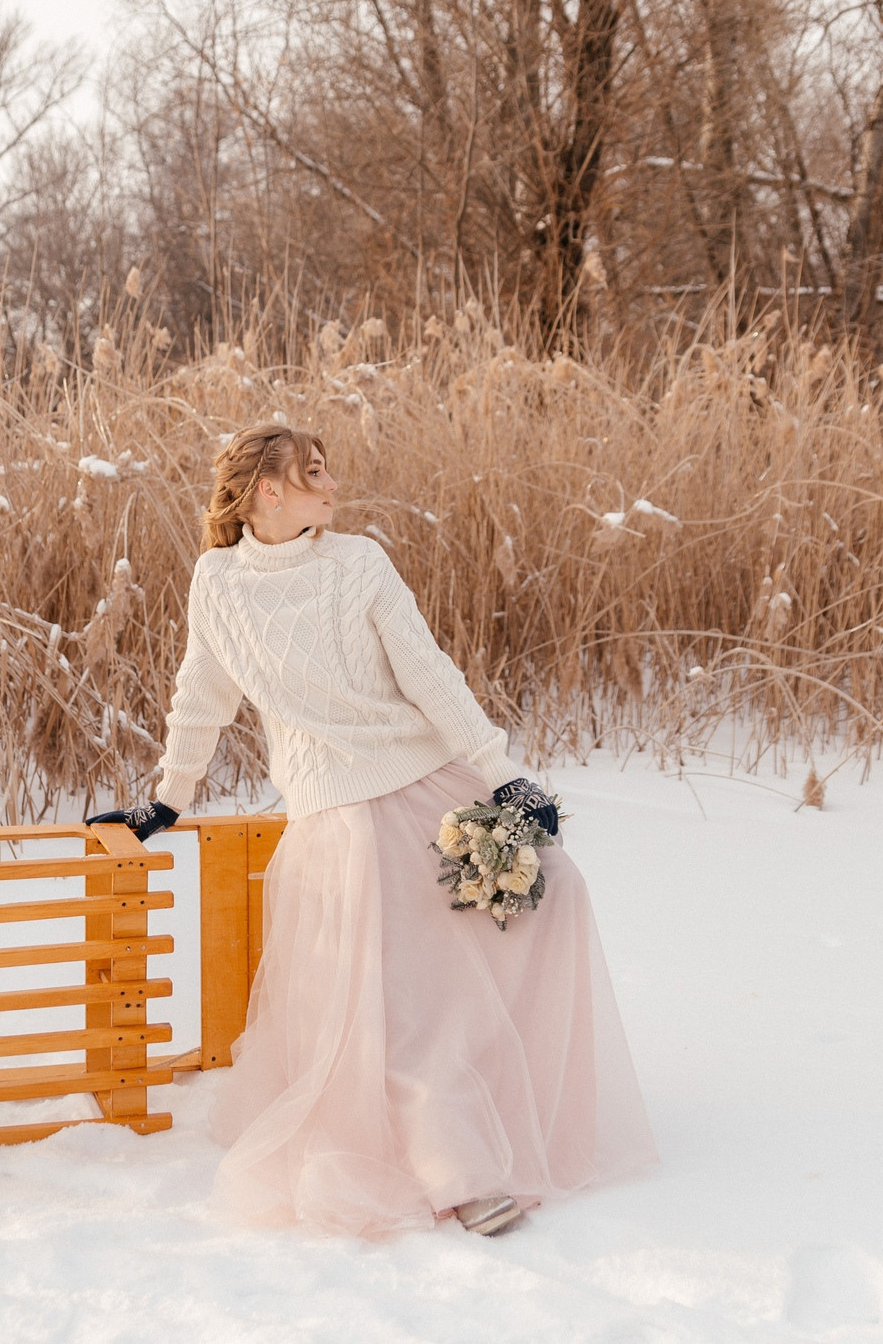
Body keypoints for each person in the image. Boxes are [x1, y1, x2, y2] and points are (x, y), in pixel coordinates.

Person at [91, 423, 655, 1237]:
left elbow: (430, 671)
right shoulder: (217, 583)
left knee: (555, 888)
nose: (332, 485)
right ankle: (460, 1171)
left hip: (435, 789)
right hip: (340, 823)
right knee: (408, 994)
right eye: (313, 473)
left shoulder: (357, 562)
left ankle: (511, 1104)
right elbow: (199, 696)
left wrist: (504, 776)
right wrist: (166, 801)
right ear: (267, 493)